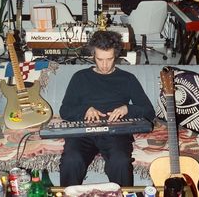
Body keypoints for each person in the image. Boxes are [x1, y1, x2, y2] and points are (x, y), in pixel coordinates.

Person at [59, 30, 155, 187]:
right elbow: (65, 110)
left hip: (116, 132)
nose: (104, 65)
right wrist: (84, 110)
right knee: (71, 159)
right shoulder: (80, 77)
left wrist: (127, 109)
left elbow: (149, 111)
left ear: (116, 56)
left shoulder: (127, 79)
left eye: (109, 59)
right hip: (83, 131)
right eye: (100, 59)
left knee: (121, 161)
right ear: (93, 56)